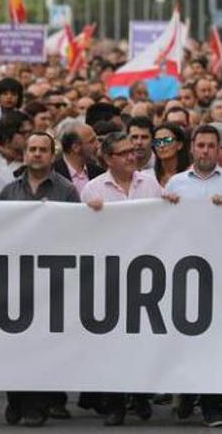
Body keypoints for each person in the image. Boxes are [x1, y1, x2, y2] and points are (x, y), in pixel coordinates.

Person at [78, 132, 165, 426]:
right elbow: (83, 234)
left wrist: (172, 204)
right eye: (124, 152)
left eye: (134, 151)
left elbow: (165, 220)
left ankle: (139, 396)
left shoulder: (150, 183)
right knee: (113, 343)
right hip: (110, 276)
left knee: (142, 339)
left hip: (146, 273)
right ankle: (115, 403)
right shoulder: (92, 189)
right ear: (108, 159)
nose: (132, 156)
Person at [163, 125, 222, 428]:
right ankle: (186, 393)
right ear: (192, 149)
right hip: (184, 270)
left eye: (211, 146)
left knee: (216, 340)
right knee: (186, 336)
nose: (206, 151)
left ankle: (212, 405)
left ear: (220, 150)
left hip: (221, 271)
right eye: (201, 145)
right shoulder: (175, 182)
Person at [0, 131, 80, 427]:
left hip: (51, 280)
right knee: (14, 345)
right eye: (31, 149)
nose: (36, 154)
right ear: (25, 153)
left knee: (41, 345)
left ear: (51, 154)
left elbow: (76, 233)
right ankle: (16, 399)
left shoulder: (67, 191)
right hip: (15, 279)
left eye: (42, 149)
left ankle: (36, 405)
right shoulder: (8, 191)